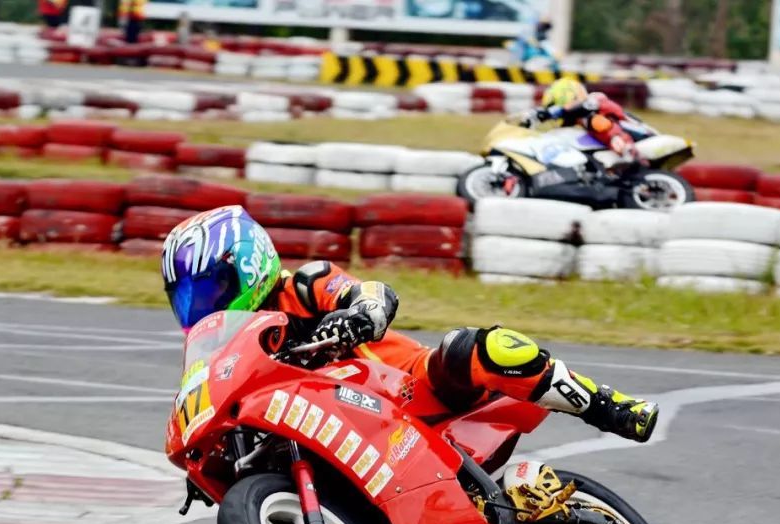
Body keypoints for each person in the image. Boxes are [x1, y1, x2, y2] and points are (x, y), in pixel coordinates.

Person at [161, 206, 658, 443]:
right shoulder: (233, 353)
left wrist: (361, 315)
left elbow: (370, 293)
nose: (202, 306)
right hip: (343, 432)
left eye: (209, 289)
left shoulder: (305, 285)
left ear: (248, 262)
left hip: (407, 390)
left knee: (475, 348)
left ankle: (606, 406)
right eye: (188, 299)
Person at [527, 78, 643, 166]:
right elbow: (565, 123)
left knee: (597, 122)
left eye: (555, 104)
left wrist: (553, 112)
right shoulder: (578, 116)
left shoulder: (594, 100)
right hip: (618, 134)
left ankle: (629, 151)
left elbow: (578, 108)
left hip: (635, 131)